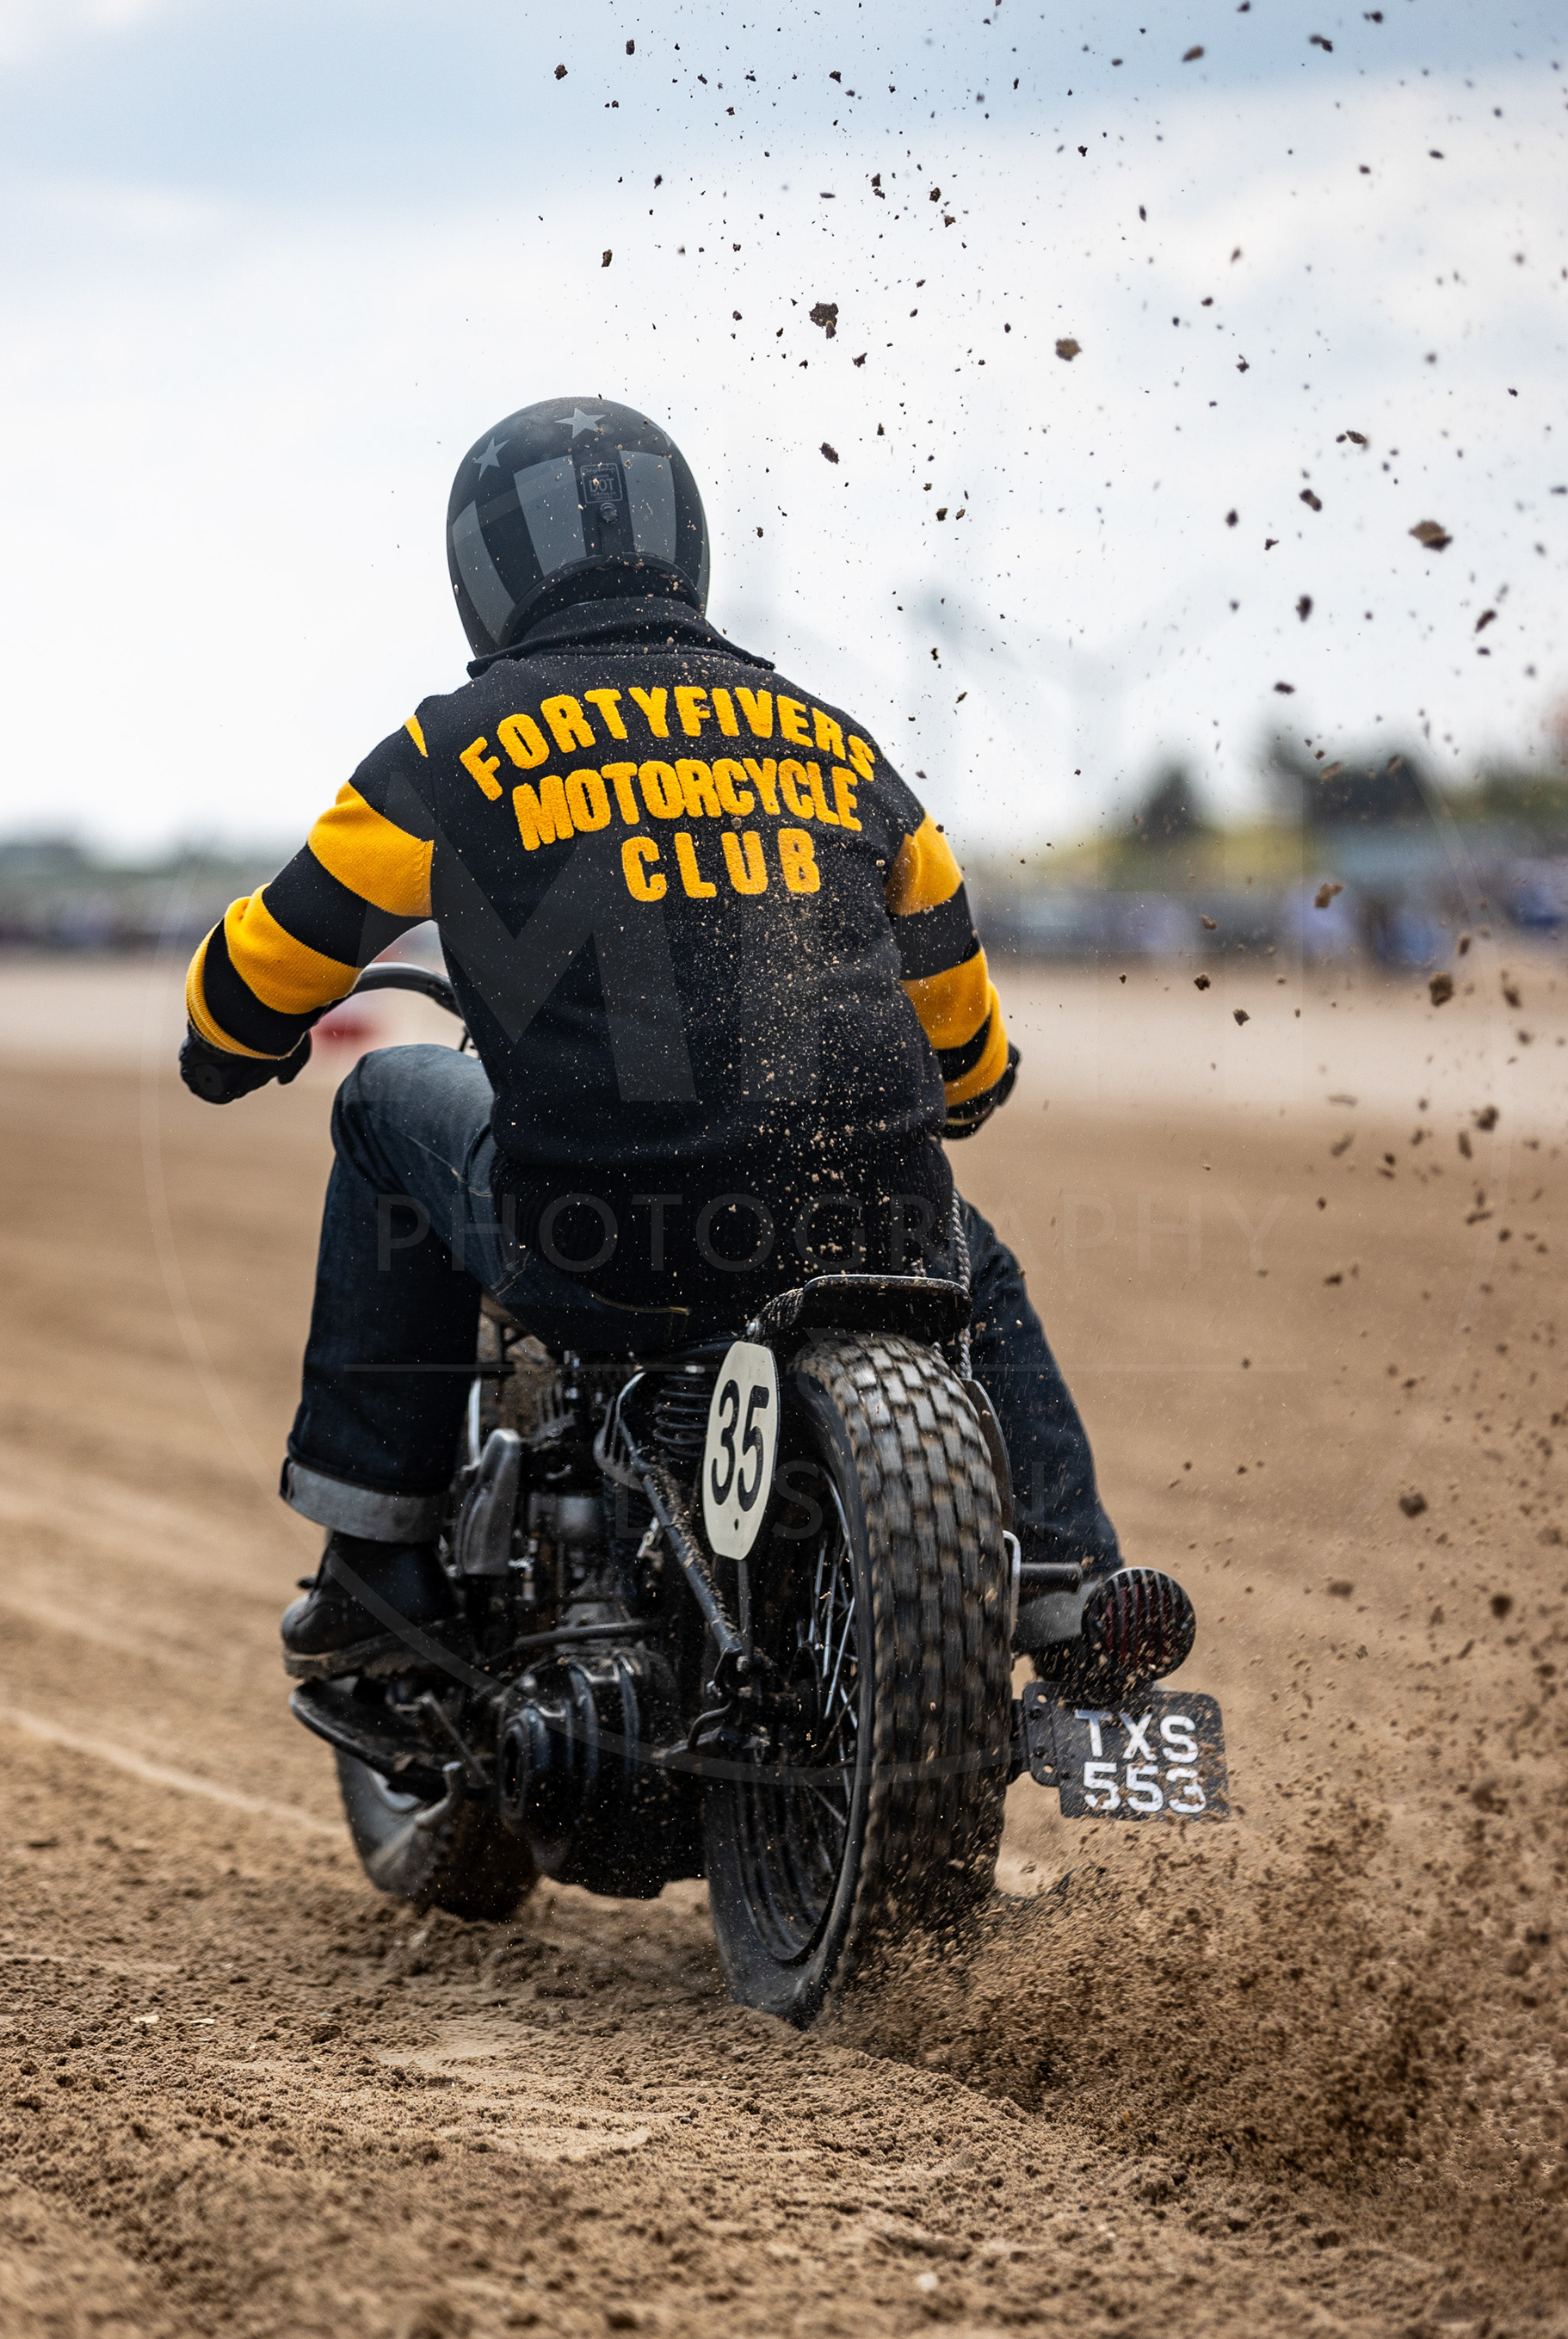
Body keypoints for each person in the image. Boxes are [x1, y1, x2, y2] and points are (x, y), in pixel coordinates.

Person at [179, 397, 1191, 1697]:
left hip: (602, 1241)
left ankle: (375, 1554)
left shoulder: (451, 750)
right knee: (969, 1257)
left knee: (382, 1098)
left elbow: (253, 981)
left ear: (487, 575)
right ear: (689, 549)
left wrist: (226, 1041)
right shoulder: (845, 751)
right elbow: (974, 1067)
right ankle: (1070, 1589)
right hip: (868, 1227)